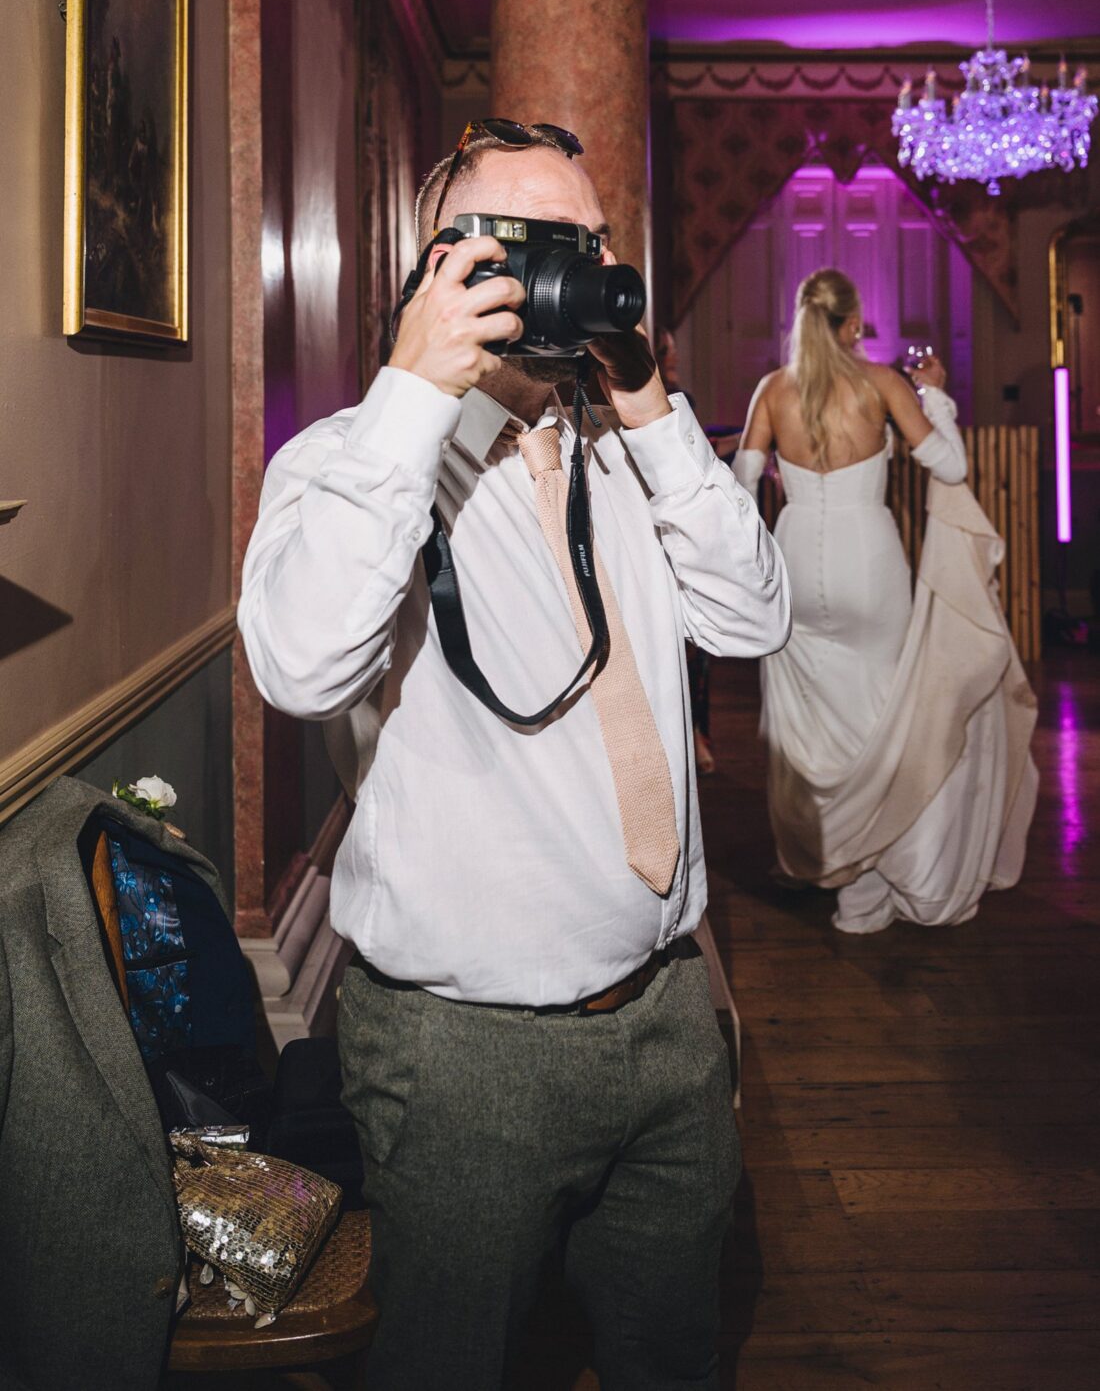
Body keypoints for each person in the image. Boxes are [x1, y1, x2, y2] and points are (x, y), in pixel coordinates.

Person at [238, 122, 792, 1390]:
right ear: (446, 261)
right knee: (448, 1361)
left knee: (672, 1356)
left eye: (591, 242)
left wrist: (650, 409)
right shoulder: (348, 463)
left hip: (668, 1011)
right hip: (462, 1058)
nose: (577, 268)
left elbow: (753, 619)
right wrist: (413, 393)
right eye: (540, 243)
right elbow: (301, 666)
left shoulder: (628, 456)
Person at [734, 267, 1036, 934]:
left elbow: (743, 480)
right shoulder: (882, 384)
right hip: (869, 563)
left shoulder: (773, 389)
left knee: (809, 724)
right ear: (853, 325)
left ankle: (817, 855)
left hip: (795, 563)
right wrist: (937, 397)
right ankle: (867, 890)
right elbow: (951, 467)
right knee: (881, 720)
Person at [655, 326, 715, 776]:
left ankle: (696, 731)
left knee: (697, 649)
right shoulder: (661, 400)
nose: (674, 357)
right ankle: (689, 731)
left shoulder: (679, 399)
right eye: (667, 351)